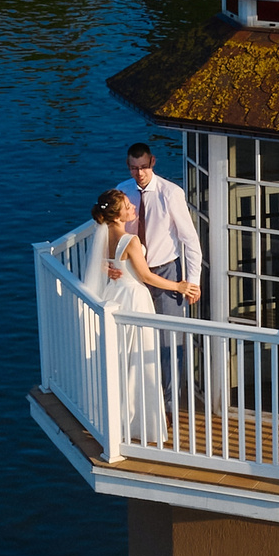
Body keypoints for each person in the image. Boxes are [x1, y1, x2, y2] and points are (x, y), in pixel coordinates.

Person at [85, 190, 188, 446]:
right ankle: (142, 422)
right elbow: (146, 276)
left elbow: (96, 263)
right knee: (141, 359)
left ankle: (117, 417)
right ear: (117, 215)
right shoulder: (129, 240)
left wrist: (108, 268)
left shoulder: (104, 234)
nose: (132, 208)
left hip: (114, 295)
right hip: (135, 299)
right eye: (128, 206)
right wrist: (179, 287)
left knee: (121, 357)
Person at [105, 142, 202, 316]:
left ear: (153, 162)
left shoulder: (171, 193)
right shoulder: (122, 191)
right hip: (132, 271)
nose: (140, 173)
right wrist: (108, 265)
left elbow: (190, 239)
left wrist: (193, 282)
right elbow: (111, 232)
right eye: (134, 168)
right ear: (128, 166)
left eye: (144, 167)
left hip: (165, 269)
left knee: (170, 333)